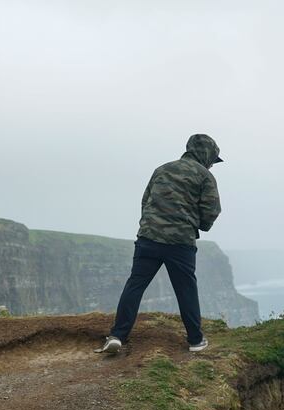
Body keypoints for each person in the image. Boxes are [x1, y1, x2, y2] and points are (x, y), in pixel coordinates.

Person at [96, 134, 224, 355]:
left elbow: (146, 201)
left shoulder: (162, 169)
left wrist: (151, 226)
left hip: (148, 239)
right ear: (206, 155)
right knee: (186, 290)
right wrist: (200, 225)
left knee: (135, 285)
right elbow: (211, 211)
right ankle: (195, 340)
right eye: (213, 159)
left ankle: (117, 335)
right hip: (180, 243)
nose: (213, 164)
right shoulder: (205, 177)